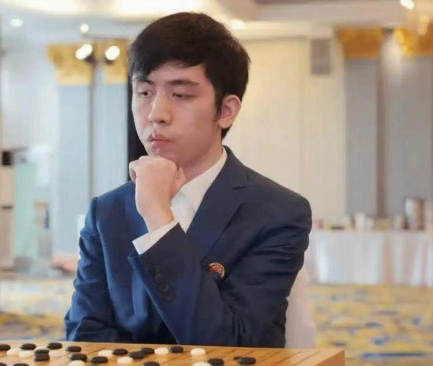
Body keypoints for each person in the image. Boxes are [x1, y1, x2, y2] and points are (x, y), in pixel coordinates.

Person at [64, 12, 311, 347]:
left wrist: (158, 217)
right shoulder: (107, 212)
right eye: (144, 92)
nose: (156, 114)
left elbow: (229, 342)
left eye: (180, 95)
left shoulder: (276, 212)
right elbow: (85, 338)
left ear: (226, 111)